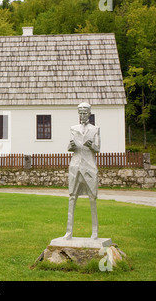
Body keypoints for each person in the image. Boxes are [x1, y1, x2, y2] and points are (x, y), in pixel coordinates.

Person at [64, 102, 100, 240]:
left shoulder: (95, 129)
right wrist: (71, 146)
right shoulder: (73, 128)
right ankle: (69, 232)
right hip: (75, 166)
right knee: (72, 197)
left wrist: (93, 145)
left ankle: (95, 232)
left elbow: (98, 148)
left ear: (89, 114)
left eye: (85, 113)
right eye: (81, 113)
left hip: (89, 166)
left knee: (92, 198)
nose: (83, 116)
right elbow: (70, 146)